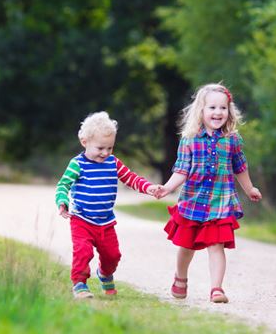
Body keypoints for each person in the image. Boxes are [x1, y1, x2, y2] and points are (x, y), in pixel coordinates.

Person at [155, 83, 262, 303]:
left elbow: (240, 167)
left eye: (223, 108)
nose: (218, 112)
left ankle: (216, 289)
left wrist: (249, 188)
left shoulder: (232, 140)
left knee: (217, 246)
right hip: (193, 202)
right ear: (201, 111)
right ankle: (180, 277)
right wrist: (167, 187)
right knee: (186, 246)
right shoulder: (189, 139)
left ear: (229, 112)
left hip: (220, 203)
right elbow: (181, 170)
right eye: (212, 107)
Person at [55, 111, 159, 299]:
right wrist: (62, 202)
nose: (105, 153)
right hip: (81, 219)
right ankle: (79, 284)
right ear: (84, 142)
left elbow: (131, 178)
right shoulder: (77, 164)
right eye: (100, 148)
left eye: (110, 148)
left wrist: (148, 188)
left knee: (112, 255)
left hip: (106, 222)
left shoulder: (113, 162)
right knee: (83, 252)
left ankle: (104, 273)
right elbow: (63, 185)